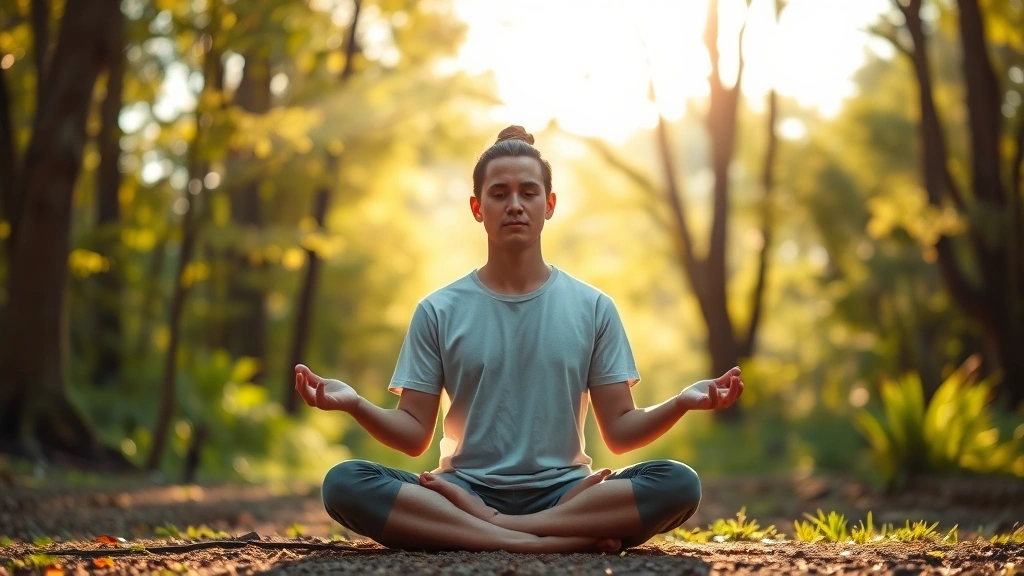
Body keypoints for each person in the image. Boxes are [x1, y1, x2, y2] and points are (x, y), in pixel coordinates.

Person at [293, 125, 745, 553]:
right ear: (477, 208)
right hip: (459, 491)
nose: (515, 204)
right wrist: (354, 403)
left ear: (548, 204)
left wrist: (683, 402)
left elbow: (621, 431)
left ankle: (495, 530)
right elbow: (414, 434)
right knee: (345, 483)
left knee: (678, 483)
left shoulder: (593, 307)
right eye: (499, 193)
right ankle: (543, 540)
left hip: (567, 494)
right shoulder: (438, 310)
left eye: (528, 192)